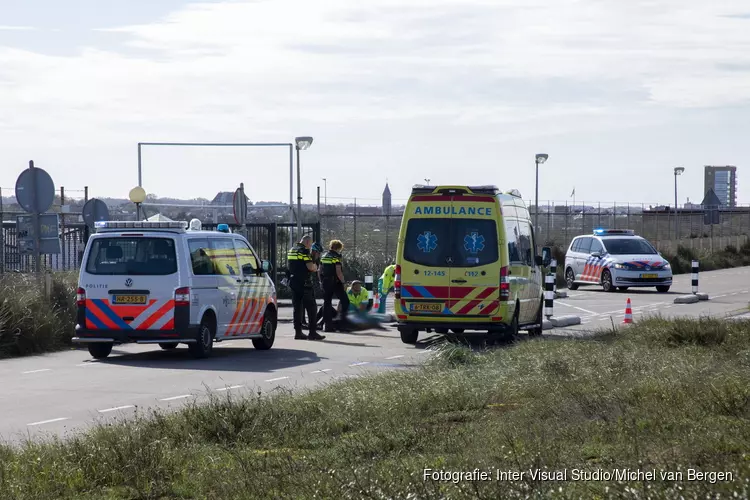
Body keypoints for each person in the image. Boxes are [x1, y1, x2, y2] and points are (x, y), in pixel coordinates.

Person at [286, 236, 325, 341]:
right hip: (304, 283)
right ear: (307, 242)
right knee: (312, 308)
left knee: (297, 309)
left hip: (294, 282)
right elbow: (310, 267)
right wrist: (315, 266)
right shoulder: (304, 251)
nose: (310, 246)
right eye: (310, 243)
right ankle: (312, 333)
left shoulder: (292, 250)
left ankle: (298, 333)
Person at [320, 239, 350, 332]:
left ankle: (327, 326)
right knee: (345, 301)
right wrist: (343, 282)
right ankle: (342, 324)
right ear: (338, 248)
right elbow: (338, 271)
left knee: (327, 303)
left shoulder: (324, 256)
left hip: (325, 282)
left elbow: (319, 270)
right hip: (335, 282)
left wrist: (321, 281)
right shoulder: (336, 257)